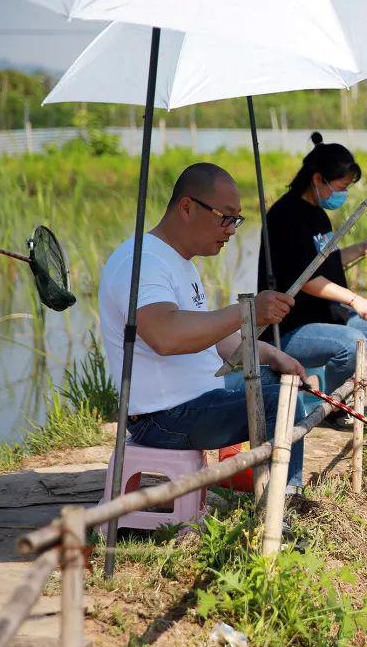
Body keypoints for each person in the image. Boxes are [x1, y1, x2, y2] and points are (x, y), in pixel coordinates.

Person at [99, 162, 310, 490]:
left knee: (283, 381)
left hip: (200, 398)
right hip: (165, 416)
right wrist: (249, 310)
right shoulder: (141, 262)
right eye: (225, 217)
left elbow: (214, 340)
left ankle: (269, 484)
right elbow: (165, 336)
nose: (231, 230)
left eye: (236, 220)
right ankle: (283, 502)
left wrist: (271, 355)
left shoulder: (180, 262)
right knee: (281, 402)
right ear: (187, 207)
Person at [260, 132, 367, 429]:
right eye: (341, 187)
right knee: (350, 342)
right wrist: (355, 299)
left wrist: (361, 248)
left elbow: (324, 261)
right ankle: (333, 406)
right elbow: (304, 279)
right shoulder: (285, 216)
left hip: (330, 320)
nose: (342, 194)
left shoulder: (317, 215)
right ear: (318, 179)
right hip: (291, 329)